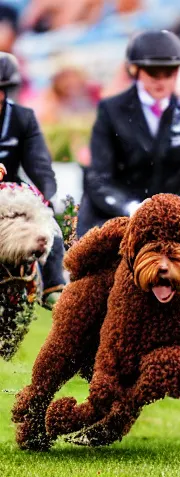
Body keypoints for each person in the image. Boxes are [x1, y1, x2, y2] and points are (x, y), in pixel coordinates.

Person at [77, 29, 180, 297]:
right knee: (92, 298)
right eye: (153, 73)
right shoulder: (110, 110)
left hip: (169, 223)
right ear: (135, 70)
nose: (161, 80)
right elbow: (98, 181)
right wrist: (134, 209)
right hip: (117, 216)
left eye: (169, 72)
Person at [0, 52, 66, 309]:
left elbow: (39, 164)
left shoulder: (23, 118)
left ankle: (53, 286)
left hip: (11, 192)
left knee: (50, 224)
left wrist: (48, 195)